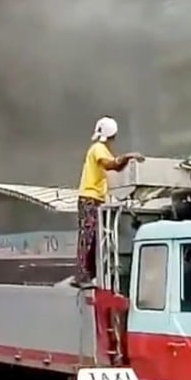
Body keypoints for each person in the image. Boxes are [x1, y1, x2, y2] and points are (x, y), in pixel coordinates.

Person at [75, 117, 144, 288]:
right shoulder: (98, 149)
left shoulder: (101, 149)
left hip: (96, 198)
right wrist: (128, 155)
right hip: (90, 198)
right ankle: (82, 275)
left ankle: (90, 274)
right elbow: (110, 165)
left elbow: (115, 166)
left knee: (96, 237)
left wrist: (126, 160)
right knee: (88, 237)